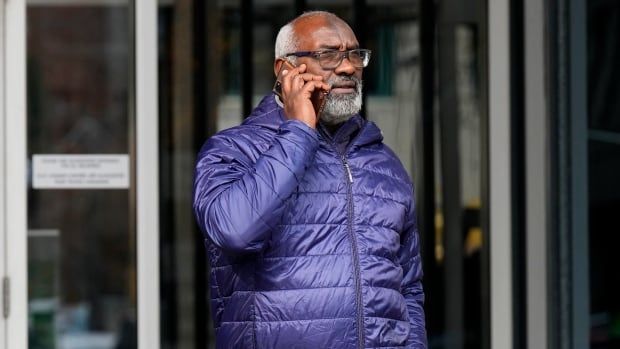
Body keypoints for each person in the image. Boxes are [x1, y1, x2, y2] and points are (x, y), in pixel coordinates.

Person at [193, 11, 426, 349]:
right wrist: (299, 131)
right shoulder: (232, 150)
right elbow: (235, 230)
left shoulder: (384, 164)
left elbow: (408, 288)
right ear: (286, 69)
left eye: (355, 55)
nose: (347, 68)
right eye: (328, 55)